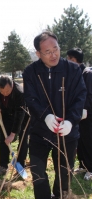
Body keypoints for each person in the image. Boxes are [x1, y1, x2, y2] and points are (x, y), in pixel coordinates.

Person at [23, 31, 86, 199]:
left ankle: (60, 195)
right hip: (40, 131)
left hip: (67, 133)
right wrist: (46, 116)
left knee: (64, 172)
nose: (53, 55)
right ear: (38, 53)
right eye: (47, 52)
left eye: (56, 49)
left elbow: (80, 96)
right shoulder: (31, 72)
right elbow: (30, 98)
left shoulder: (72, 70)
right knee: (38, 171)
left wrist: (71, 121)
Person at [0, 75, 29, 177]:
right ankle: (3, 166)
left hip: (23, 115)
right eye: (2, 91)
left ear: (12, 85)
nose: (5, 93)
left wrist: (13, 134)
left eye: (7, 91)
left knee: (23, 140)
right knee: (4, 139)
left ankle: (21, 165)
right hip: (7, 113)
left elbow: (20, 114)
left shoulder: (19, 92)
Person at [67, 48, 92, 180]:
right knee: (80, 140)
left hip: (87, 114)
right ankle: (83, 164)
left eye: (69, 59)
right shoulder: (76, 73)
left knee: (88, 140)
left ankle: (91, 169)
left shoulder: (87, 73)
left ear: (75, 60)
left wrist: (84, 110)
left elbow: (89, 95)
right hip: (78, 114)